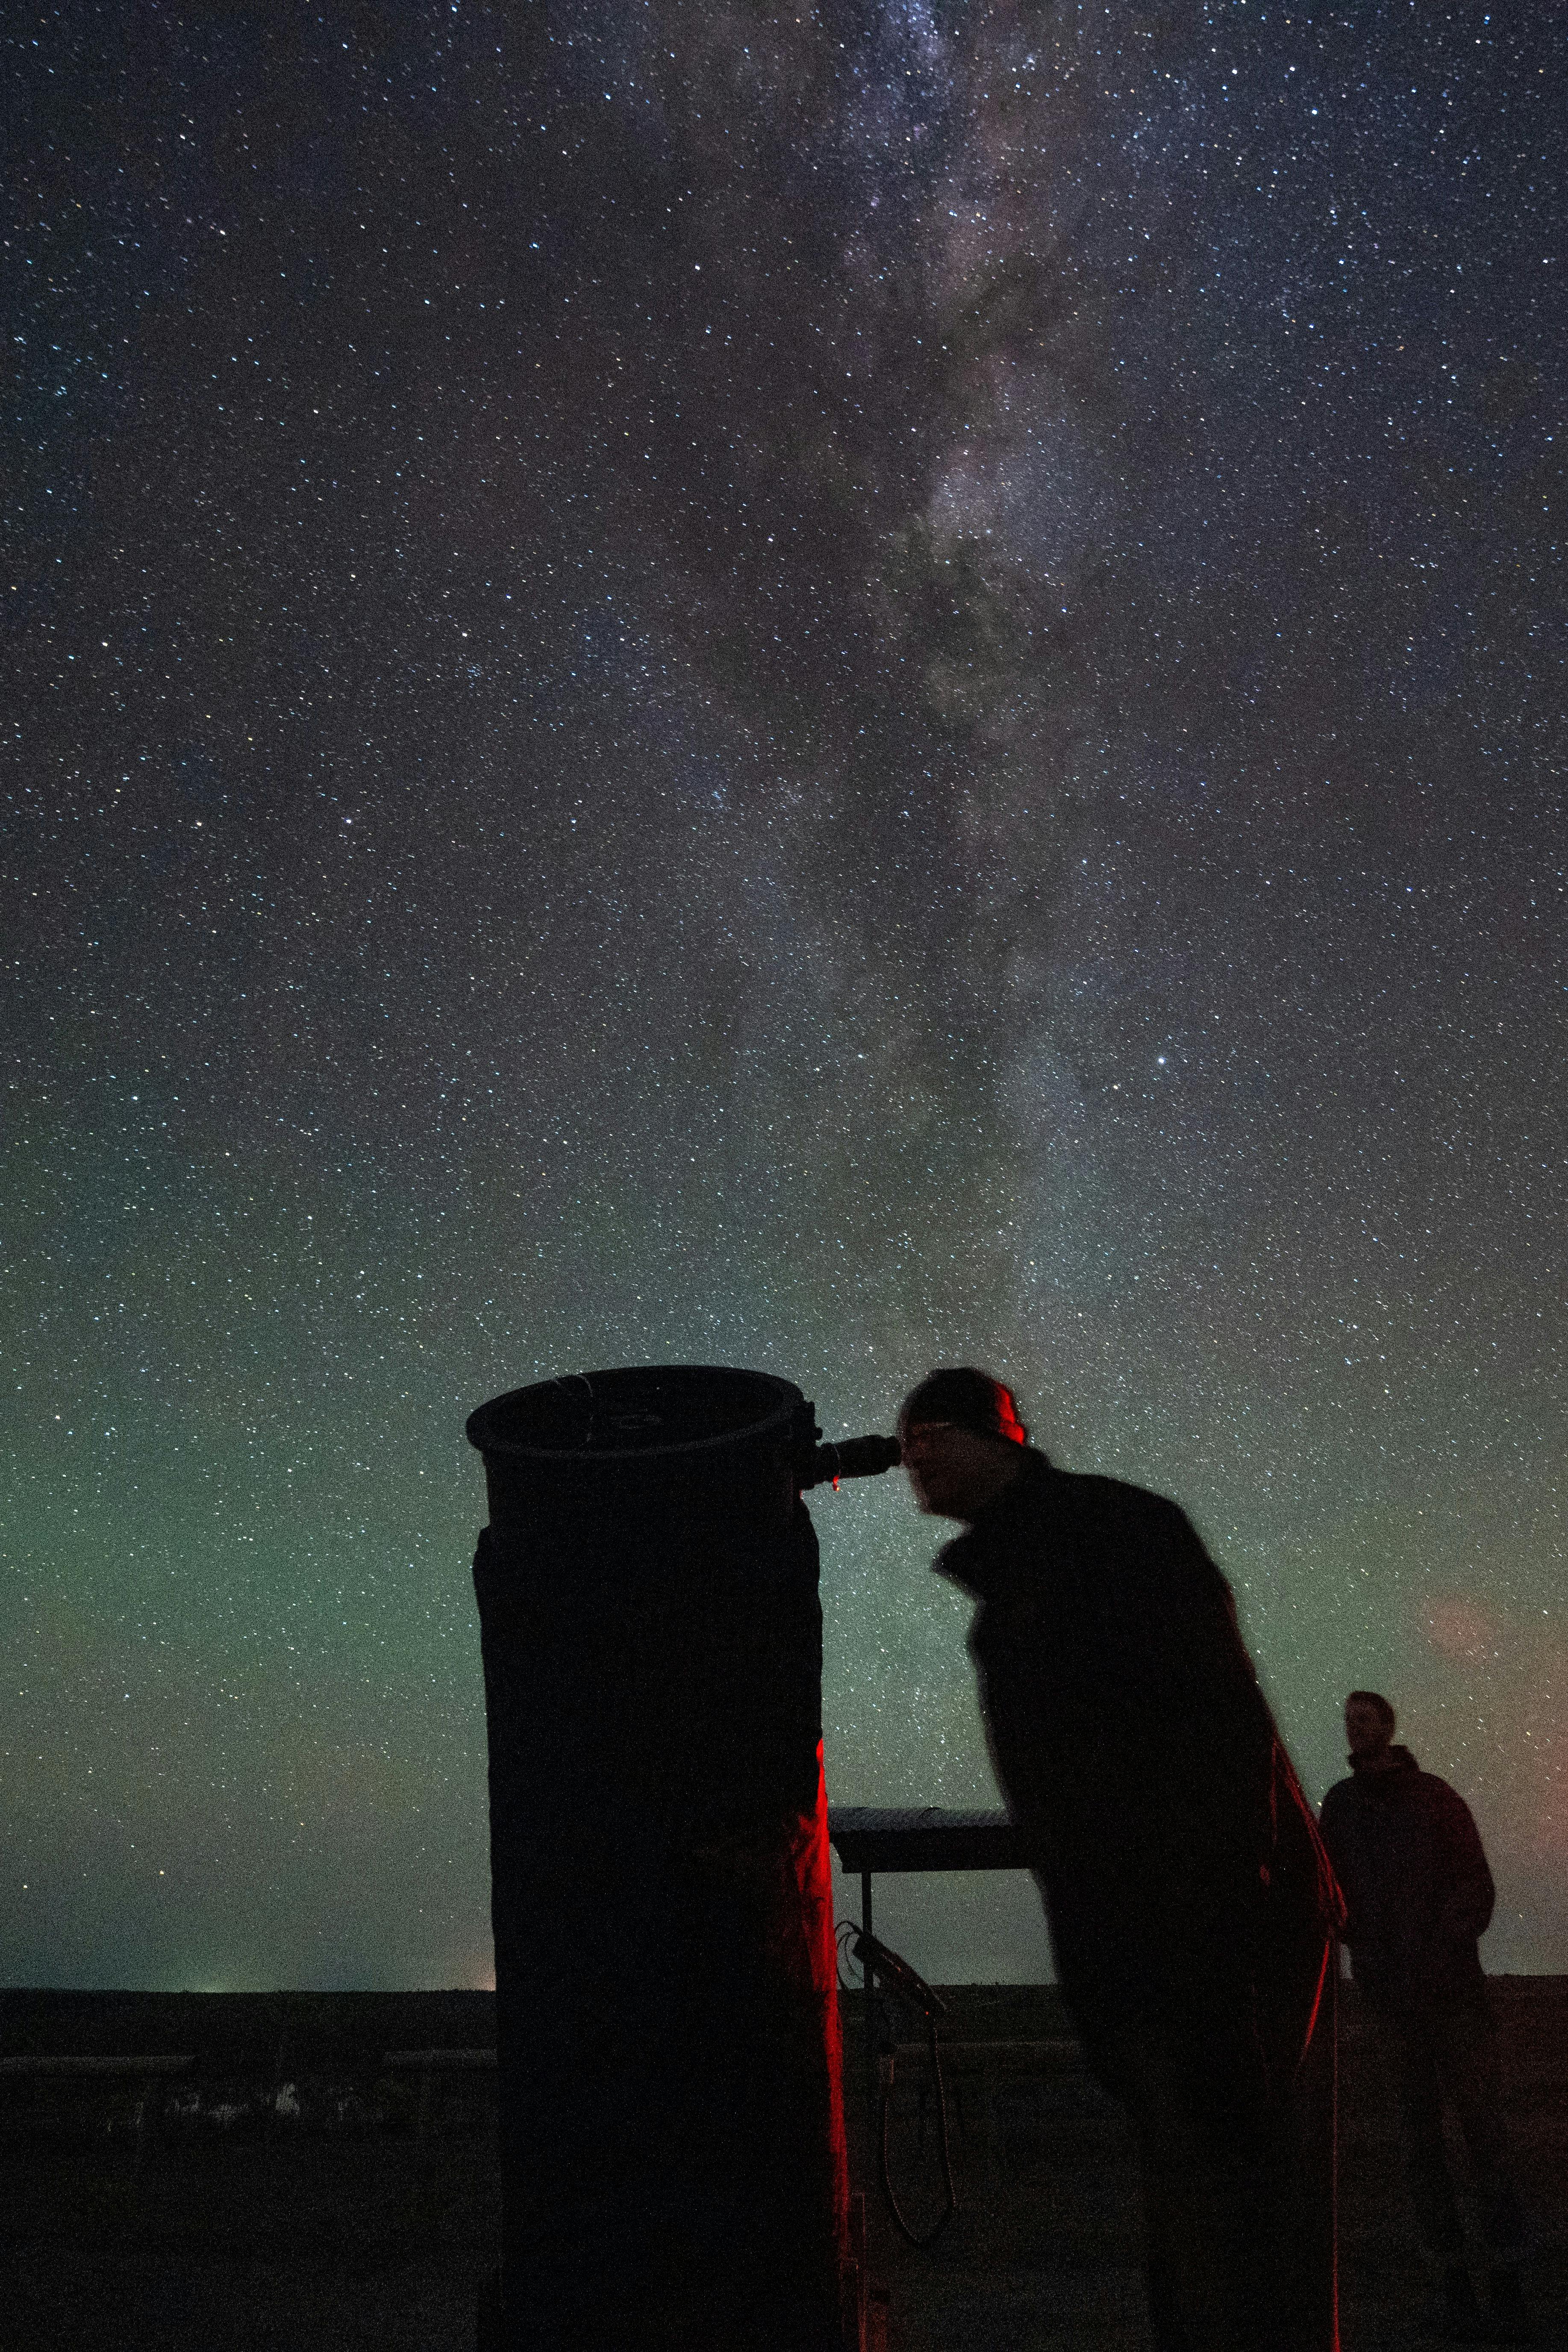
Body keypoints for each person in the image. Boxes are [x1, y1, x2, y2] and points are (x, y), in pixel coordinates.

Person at [897, 1366, 1344, 2352]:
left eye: (931, 1431)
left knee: (1240, 2221)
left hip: (1217, 1940)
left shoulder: (1106, 1543)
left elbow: (1214, 1740)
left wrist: (1207, 1949)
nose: (911, 1456)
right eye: (904, 1439)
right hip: (1163, 1947)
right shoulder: (1034, 1572)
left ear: (996, 1436)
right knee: (1204, 2225)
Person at [1320, 1691, 1530, 2342]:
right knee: (1421, 2153)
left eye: (1364, 1719)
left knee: (1483, 2140)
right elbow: (1329, 1895)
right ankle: (1455, 2292)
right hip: (1393, 2010)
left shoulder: (1434, 1799)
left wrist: (1437, 1949)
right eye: (1348, 1721)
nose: (1354, 1728)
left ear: (1387, 1727)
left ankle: (1509, 2289)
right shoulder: (1342, 1811)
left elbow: (1476, 1885)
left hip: (1452, 2004)